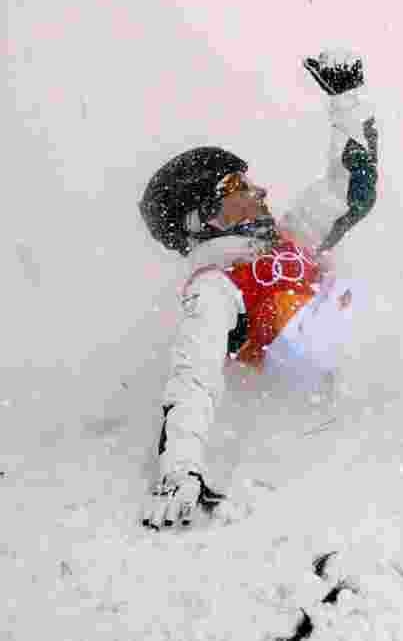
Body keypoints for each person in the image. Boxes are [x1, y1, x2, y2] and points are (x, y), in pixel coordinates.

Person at [137, 49, 379, 530]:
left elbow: (351, 191)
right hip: (315, 410)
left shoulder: (290, 234)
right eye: (237, 185)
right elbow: (194, 379)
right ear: (204, 217)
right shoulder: (216, 287)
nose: (260, 190)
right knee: (305, 304)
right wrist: (179, 469)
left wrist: (347, 99)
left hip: (370, 367)